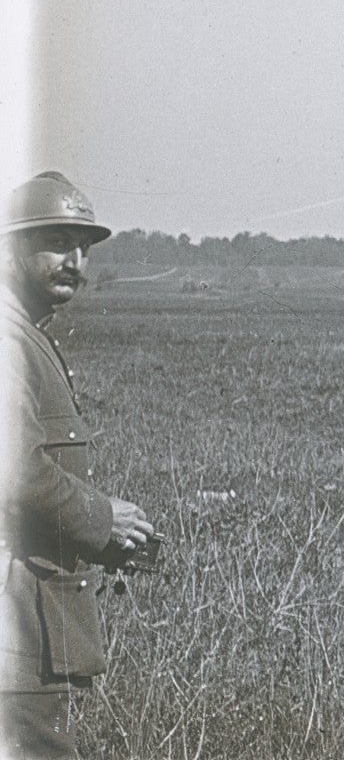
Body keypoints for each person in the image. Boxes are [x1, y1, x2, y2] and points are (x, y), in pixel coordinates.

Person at [2, 172, 155, 760]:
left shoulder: (28, 336)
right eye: (57, 242)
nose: (75, 260)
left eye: (84, 247)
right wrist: (101, 520)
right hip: (20, 630)